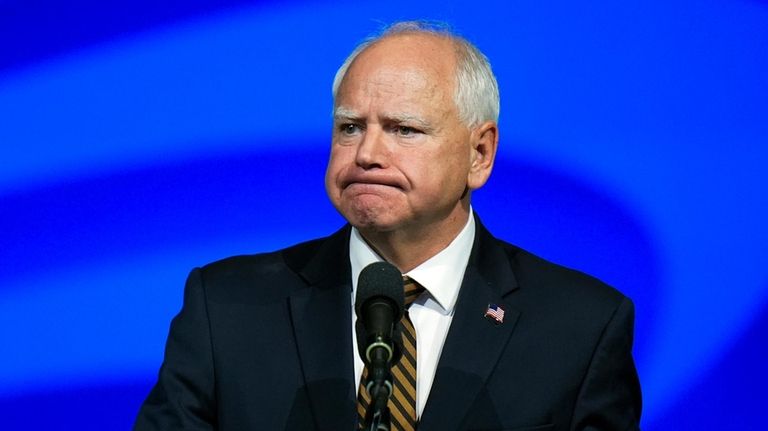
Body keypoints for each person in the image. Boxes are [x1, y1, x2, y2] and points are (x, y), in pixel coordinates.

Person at [134, 21, 641, 431]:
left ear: (479, 154)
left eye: (404, 130)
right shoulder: (226, 307)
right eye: (350, 127)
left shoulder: (581, 326)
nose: (367, 154)